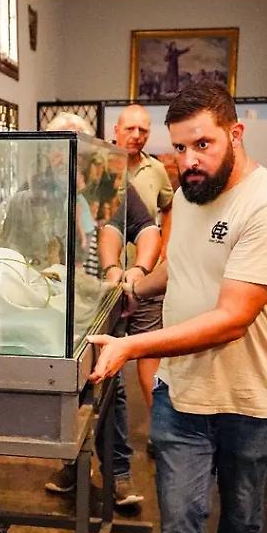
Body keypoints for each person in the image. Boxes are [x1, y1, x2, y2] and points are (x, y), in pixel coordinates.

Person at [86, 81, 267, 533]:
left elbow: (231, 320)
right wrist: (130, 284)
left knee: (240, 510)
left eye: (202, 144)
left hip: (252, 396)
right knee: (180, 517)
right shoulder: (185, 196)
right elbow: (176, 273)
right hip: (183, 392)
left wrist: (132, 344)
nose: (189, 161)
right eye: (179, 148)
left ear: (236, 133)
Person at [41, 111, 161, 508]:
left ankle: (119, 474)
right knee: (65, 391)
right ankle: (72, 468)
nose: (66, 152)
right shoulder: (37, 188)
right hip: (52, 309)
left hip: (98, 307)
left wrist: (137, 268)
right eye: (60, 143)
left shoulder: (109, 183)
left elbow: (146, 228)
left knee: (111, 389)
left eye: (75, 142)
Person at [114, 104, 174, 457]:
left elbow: (168, 208)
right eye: (130, 129)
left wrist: (164, 246)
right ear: (116, 131)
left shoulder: (156, 171)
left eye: (143, 130)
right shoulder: (102, 168)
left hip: (146, 278)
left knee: (150, 351)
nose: (136, 136)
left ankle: (160, 429)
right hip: (106, 283)